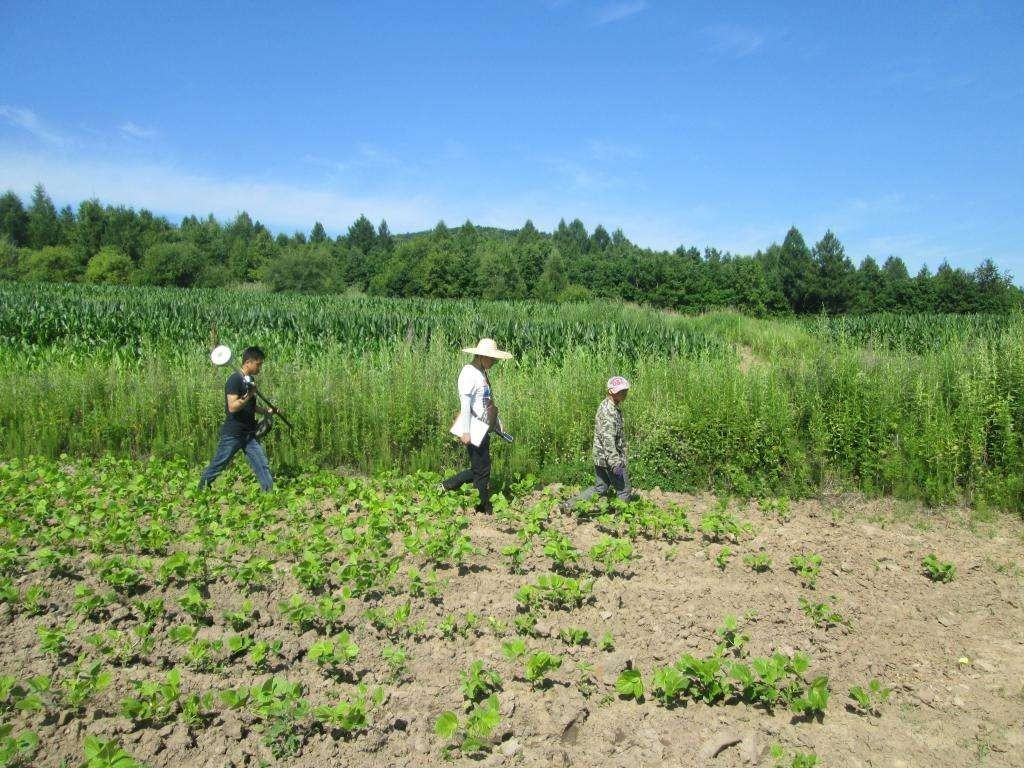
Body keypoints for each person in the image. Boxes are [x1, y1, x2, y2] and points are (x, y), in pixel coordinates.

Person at [439, 338, 513, 513]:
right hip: (472, 427)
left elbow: (487, 402)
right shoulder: (468, 373)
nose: (494, 362)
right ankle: (482, 506)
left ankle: (447, 486)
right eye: (492, 358)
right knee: (482, 469)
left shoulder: (482, 373)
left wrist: (498, 424)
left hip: (483, 427)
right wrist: (465, 432)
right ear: (480, 356)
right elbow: (465, 405)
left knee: (480, 468)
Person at [198, 346, 276, 492]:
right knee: (218, 465)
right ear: (248, 362)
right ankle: (200, 491)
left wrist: (267, 411)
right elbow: (233, 407)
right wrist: (249, 395)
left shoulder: (249, 380)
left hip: (249, 434)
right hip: (233, 434)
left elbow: (250, 407)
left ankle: (269, 494)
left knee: (261, 464)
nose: (260, 368)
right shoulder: (234, 380)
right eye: (258, 364)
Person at [563, 376, 637, 510]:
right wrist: (615, 463)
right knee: (624, 490)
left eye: (625, 391)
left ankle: (570, 505)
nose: (624, 394)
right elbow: (608, 439)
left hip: (600, 458)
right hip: (610, 460)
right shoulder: (609, 411)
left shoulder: (607, 405)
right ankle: (619, 521)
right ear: (611, 392)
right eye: (620, 391)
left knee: (600, 488)